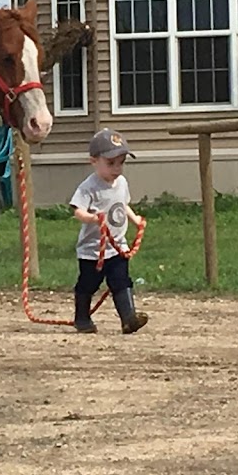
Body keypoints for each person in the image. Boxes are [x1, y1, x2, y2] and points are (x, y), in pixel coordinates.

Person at [69, 128, 148, 334]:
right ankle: (82, 318)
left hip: (117, 246)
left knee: (121, 280)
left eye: (121, 162)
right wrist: (93, 219)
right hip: (92, 251)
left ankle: (128, 318)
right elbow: (78, 211)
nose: (117, 168)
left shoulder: (121, 183)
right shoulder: (89, 187)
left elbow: (123, 205)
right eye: (111, 163)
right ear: (94, 161)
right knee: (88, 284)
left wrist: (135, 219)